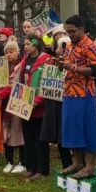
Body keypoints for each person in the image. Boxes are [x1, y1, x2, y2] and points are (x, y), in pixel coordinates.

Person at [58, 15, 96, 180]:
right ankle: (77, 162)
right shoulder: (69, 46)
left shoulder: (90, 46)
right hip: (69, 92)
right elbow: (68, 65)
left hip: (85, 93)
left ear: (82, 29)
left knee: (87, 128)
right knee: (72, 128)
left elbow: (95, 71)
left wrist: (73, 67)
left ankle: (90, 166)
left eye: (73, 31)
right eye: (68, 32)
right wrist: (61, 65)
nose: (70, 35)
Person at [16, 36, 52, 178]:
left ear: (35, 45)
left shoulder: (46, 60)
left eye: (28, 44)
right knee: (28, 138)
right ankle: (30, 167)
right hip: (26, 106)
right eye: (24, 44)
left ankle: (42, 169)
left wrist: (39, 99)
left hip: (39, 108)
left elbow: (48, 82)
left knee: (40, 140)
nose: (25, 47)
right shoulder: (24, 61)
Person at [39, 34, 73, 174]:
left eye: (64, 46)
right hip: (54, 104)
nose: (61, 49)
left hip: (67, 103)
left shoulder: (72, 63)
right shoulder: (51, 62)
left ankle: (74, 164)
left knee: (66, 137)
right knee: (59, 138)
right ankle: (66, 166)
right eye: (60, 46)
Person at [0, 41, 25, 174]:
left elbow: (15, 84)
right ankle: (9, 161)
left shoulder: (21, 65)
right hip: (5, 103)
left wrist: (0, 93)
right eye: (7, 52)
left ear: (17, 52)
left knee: (18, 132)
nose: (9, 54)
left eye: (12, 51)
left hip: (17, 102)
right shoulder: (2, 67)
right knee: (6, 133)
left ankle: (22, 162)